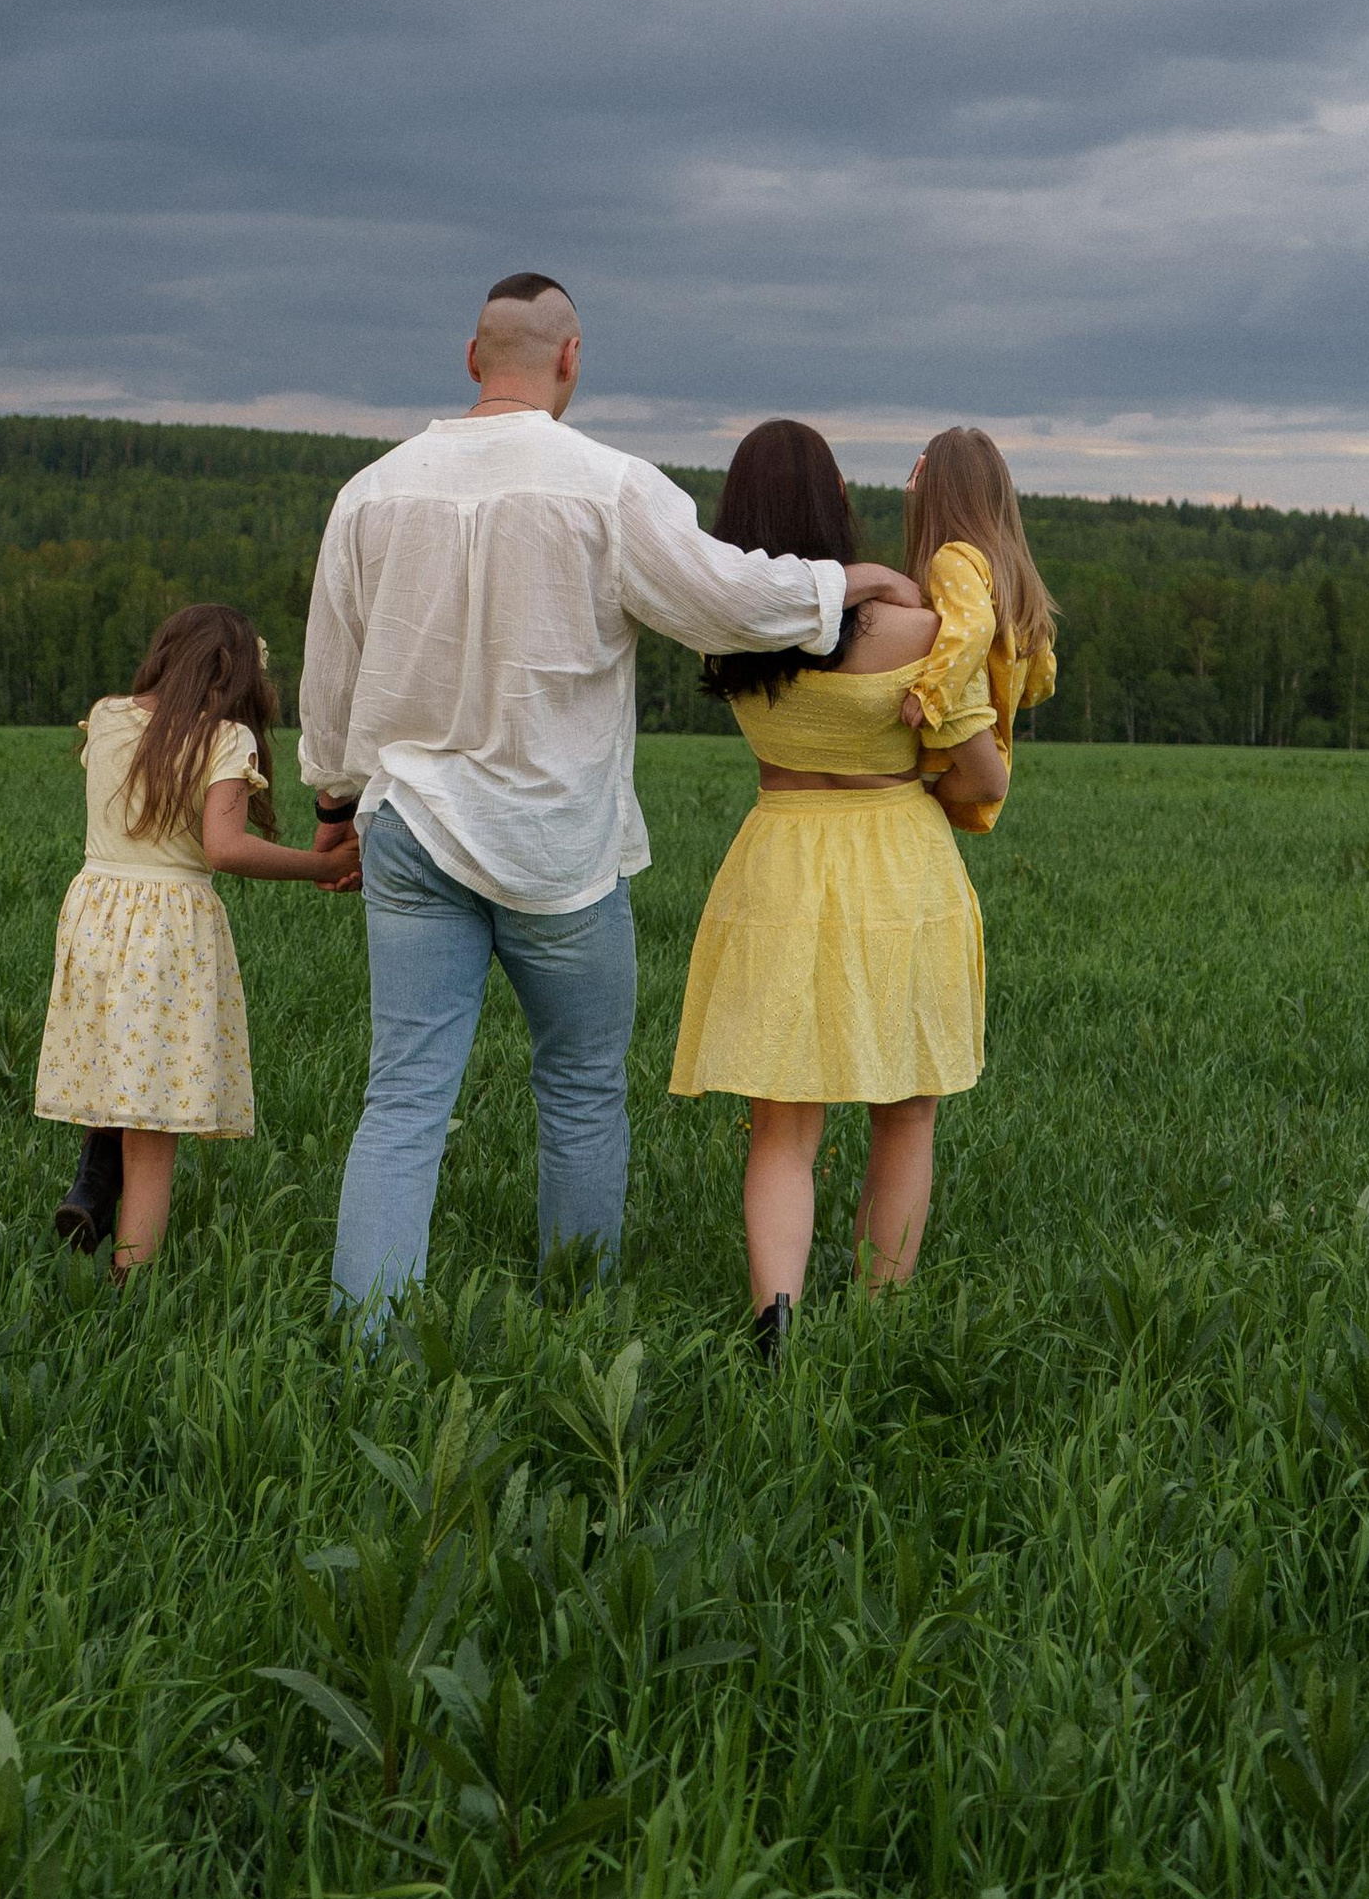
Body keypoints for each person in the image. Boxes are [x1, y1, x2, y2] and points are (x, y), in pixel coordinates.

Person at [298, 275, 910, 1321]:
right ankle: (576, 1322)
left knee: (401, 1101)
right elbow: (726, 599)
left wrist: (333, 799)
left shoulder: (371, 492)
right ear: (569, 357)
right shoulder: (609, 486)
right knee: (578, 1092)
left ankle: (367, 1348)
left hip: (403, 826)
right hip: (557, 844)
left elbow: (331, 672)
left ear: (470, 357)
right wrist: (846, 582)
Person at [664, 418, 1045, 1354]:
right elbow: (984, 779)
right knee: (905, 1113)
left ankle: (774, 1322)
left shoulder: (726, 643)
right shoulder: (918, 632)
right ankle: (880, 1325)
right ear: (835, 503)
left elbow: (768, 608)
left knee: (782, 1128)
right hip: (895, 869)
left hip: (778, 860)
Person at [41, 604, 360, 1279]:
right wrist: (322, 865)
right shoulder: (224, 738)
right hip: (166, 930)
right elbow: (223, 847)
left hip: (94, 916)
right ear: (234, 672)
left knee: (117, 1074)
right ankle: (132, 1289)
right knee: (154, 1130)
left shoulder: (106, 717)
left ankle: (94, 1188)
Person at [893, 426, 1059, 832]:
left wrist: (930, 695)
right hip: (990, 742)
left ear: (935, 493)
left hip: (947, 746)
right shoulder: (1014, 572)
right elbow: (1041, 680)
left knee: (920, 818)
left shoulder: (951, 558)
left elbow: (973, 626)